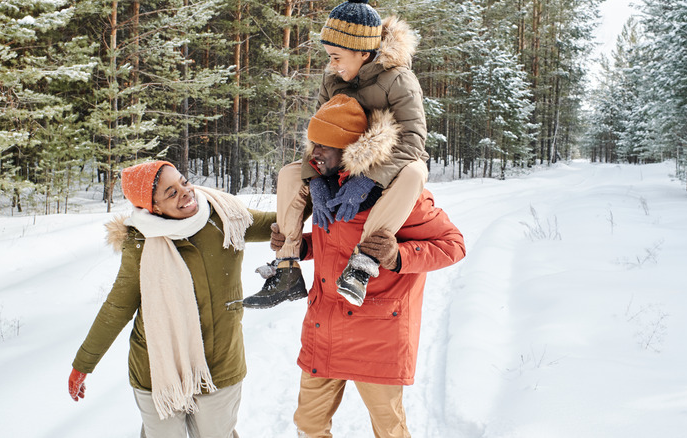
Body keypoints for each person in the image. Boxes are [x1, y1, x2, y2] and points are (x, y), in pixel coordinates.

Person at [270, 93, 466, 437]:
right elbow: (335, 243)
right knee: (308, 425)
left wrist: (397, 256)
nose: (314, 153)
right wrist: (302, 247)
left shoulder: (399, 195)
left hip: (378, 332)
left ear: (350, 149)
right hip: (324, 326)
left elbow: (453, 245)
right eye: (313, 143)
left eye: (325, 146)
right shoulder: (321, 188)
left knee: (388, 430)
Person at [67, 161, 275, 438]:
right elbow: (118, 306)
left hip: (219, 363)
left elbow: (283, 221)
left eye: (183, 182)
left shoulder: (224, 216)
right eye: (171, 193)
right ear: (152, 208)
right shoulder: (141, 241)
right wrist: (83, 364)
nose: (185, 192)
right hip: (157, 370)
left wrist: (320, 185)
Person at [243, 0, 429, 309]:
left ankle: (362, 264)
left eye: (337, 57)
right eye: (330, 57)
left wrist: (367, 180)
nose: (332, 65)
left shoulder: (398, 80)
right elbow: (319, 135)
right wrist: (316, 179)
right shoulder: (333, 80)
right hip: (338, 163)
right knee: (291, 172)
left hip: (384, 165)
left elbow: (413, 142)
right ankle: (287, 267)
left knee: (415, 172)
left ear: (362, 52)